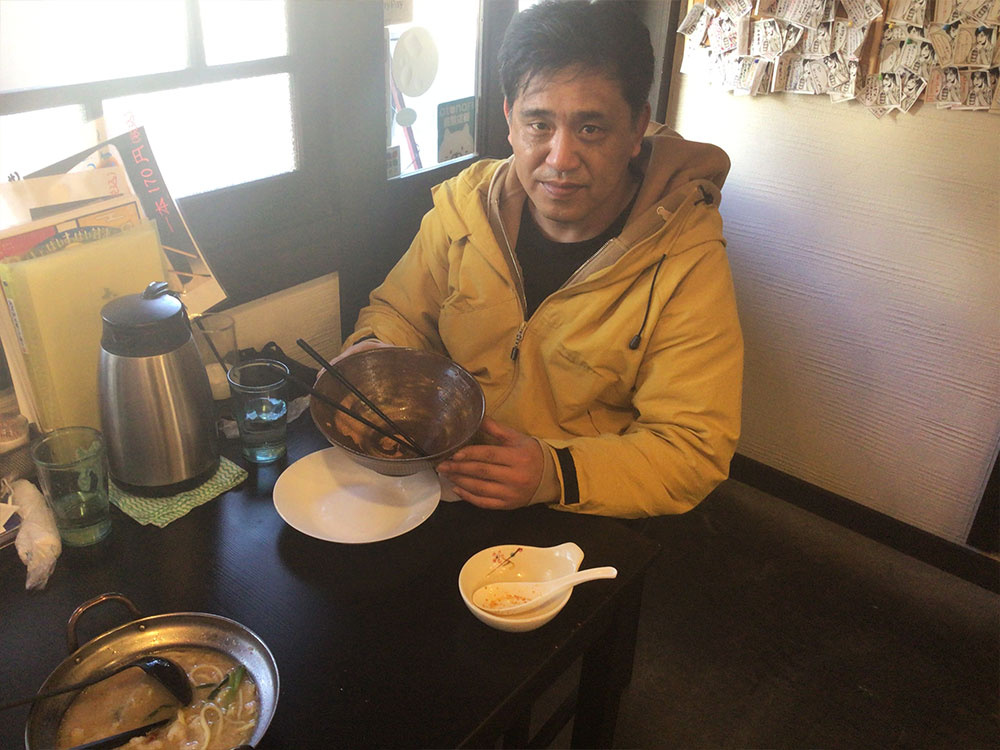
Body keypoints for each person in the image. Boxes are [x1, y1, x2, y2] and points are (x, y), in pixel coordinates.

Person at [339, 0, 743, 518]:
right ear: (510, 119)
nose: (560, 159)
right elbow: (399, 312)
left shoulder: (686, 258)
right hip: (442, 480)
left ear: (636, 128)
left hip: (579, 508)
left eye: (591, 129)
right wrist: (371, 357)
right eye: (539, 124)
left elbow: (692, 446)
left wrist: (556, 473)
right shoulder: (465, 208)